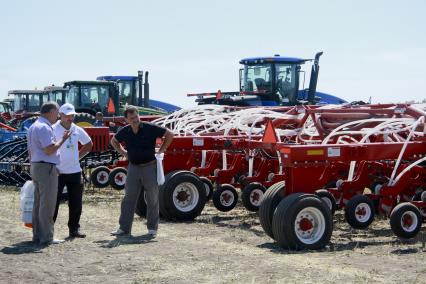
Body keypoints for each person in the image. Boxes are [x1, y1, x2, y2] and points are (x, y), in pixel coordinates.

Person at [110, 105, 173, 238]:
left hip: (150, 167)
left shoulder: (150, 128)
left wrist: (161, 151)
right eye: (131, 118)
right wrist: (123, 153)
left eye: (136, 116)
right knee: (128, 198)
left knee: (152, 198)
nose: (135, 119)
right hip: (133, 168)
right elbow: (114, 141)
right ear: (126, 120)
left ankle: (152, 229)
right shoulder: (125, 131)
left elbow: (169, 134)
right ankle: (124, 228)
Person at [27, 101, 71, 245]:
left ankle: (38, 235)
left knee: (38, 203)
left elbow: (33, 151)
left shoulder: (34, 126)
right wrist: (63, 139)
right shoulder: (44, 128)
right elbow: (49, 149)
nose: (58, 116)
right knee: (48, 203)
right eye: (57, 112)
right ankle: (47, 237)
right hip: (45, 168)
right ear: (50, 112)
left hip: (36, 165)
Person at [53, 104, 93, 238]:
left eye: (72, 115)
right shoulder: (53, 129)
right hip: (58, 171)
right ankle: (49, 230)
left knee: (76, 202)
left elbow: (88, 144)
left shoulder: (77, 129)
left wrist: (77, 157)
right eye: (68, 115)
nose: (70, 118)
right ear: (61, 115)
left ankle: (74, 229)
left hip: (75, 171)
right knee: (54, 202)